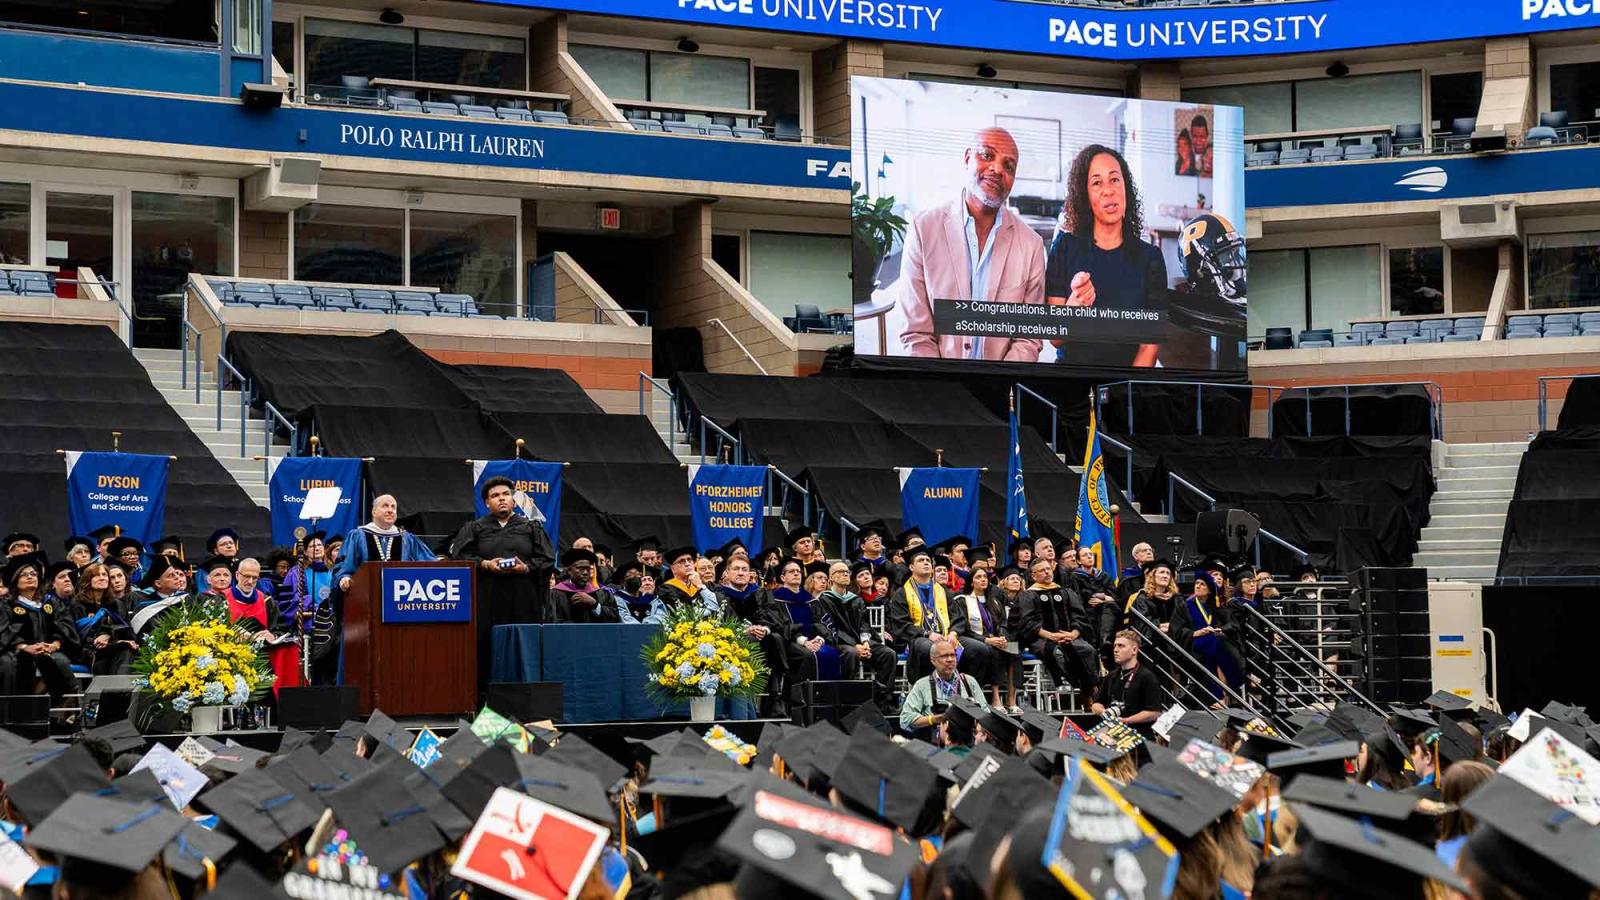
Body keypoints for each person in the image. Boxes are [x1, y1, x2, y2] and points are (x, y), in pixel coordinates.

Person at [895, 126, 1047, 361]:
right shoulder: (923, 228)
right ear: (967, 158)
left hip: (999, 386)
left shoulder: (1032, 244)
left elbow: (1028, 338)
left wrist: (996, 384)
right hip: (937, 383)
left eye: (1009, 166)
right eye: (987, 155)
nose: (997, 169)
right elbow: (916, 332)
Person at [1046, 143, 1167, 369]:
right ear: (1084, 195)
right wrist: (1074, 307)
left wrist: (1124, 395)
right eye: (1096, 183)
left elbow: (1148, 347)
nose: (1108, 190)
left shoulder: (1151, 258)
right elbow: (1055, 339)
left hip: (1125, 386)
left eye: (1114, 180)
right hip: (1071, 379)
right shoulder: (1064, 246)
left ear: (1125, 189)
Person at [450, 476, 556, 694]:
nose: (501, 499)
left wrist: (526, 567)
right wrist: (486, 564)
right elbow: (460, 558)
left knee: (524, 648)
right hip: (488, 599)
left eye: (506, 494)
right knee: (487, 648)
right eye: (495, 496)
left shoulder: (530, 527)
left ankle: (526, 698)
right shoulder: (475, 528)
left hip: (523, 599)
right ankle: (485, 700)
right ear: (487, 503)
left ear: (514, 500)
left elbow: (547, 559)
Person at [888, 547, 989, 684]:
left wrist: (953, 633)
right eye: (921, 560)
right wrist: (928, 634)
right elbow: (901, 624)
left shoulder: (942, 591)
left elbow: (957, 617)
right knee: (928, 649)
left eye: (928, 560)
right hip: (920, 637)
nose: (926, 563)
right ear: (911, 567)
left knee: (979, 649)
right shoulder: (902, 593)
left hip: (947, 636)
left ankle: (967, 692)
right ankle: (931, 693)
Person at [814, 560, 897, 711]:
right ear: (831, 577)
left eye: (847, 572)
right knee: (851, 653)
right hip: (837, 642)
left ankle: (883, 699)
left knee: (888, 653)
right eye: (840, 572)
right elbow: (829, 627)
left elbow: (864, 623)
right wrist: (854, 645)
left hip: (860, 642)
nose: (845, 574)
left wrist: (865, 642)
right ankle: (847, 701)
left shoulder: (856, 599)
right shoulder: (823, 599)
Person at [0, 553, 78, 702]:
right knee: (9, 663)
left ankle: (63, 708)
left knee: (60, 661)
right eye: (23, 575)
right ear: (15, 581)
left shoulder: (51, 603)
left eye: (33, 574)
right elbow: (3, 631)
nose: (30, 577)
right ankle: (10, 710)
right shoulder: (6, 605)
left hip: (49, 650)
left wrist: (54, 645)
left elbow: (65, 626)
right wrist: (23, 646)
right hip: (15, 651)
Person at [1018, 556, 1099, 697]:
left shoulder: (1065, 592)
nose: (1047, 572)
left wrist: (1074, 633)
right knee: (1057, 653)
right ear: (1033, 575)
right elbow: (1026, 622)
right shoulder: (1028, 595)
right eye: (1042, 570)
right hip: (1042, 639)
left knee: (1088, 650)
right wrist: (1050, 635)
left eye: (1048, 569)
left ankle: (1089, 691)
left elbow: (1079, 616)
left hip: (1070, 636)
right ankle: (1077, 688)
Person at [224, 557, 303, 695]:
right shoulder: (222, 599)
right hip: (231, 656)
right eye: (246, 576)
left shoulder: (266, 600)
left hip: (262, 657)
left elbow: (281, 627)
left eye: (255, 577)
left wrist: (272, 635)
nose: (250, 581)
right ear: (237, 575)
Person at [334, 494, 437, 591]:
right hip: (366, 595)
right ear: (374, 512)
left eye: (393, 507)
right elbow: (344, 566)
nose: (390, 510)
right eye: (385, 506)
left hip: (400, 596)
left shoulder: (407, 539)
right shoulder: (357, 536)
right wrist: (344, 578)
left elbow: (429, 564)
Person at [1170, 571, 1243, 700]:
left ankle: (1222, 694)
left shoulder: (1216, 607)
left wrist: (1219, 629)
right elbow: (1176, 630)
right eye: (1197, 583)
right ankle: (1224, 695)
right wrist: (1195, 633)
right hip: (1193, 646)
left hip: (1215, 643)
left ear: (1209, 590)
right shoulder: (1185, 606)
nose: (1198, 586)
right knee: (1216, 645)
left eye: (1202, 584)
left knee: (1218, 643)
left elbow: (1232, 625)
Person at [953, 566, 1014, 710]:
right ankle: (995, 697)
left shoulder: (994, 602)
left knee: (1014, 650)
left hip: (995, 640)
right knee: (990, 650)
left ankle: (1012, 699)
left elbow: (1003, 623)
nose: (983, 580)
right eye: (978, 577)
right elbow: (964, 628)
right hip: (976, 640)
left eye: (985, 577)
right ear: (971, 582)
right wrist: (987, 640)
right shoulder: (962, 600)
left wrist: (1003, 638)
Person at [281, 531, 337, 684]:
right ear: (305, 552)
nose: (317, 548)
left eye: (319, 544)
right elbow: (293, 599)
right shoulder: (298, 572)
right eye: (312, 546)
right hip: (311, 620)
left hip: (335, 620)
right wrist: (318, 607)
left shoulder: (335, 570)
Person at [899, 638, 985, 736]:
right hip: (934, 744)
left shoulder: (969, 681)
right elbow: (905, 719)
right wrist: (934, 719)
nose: (950, 660)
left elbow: (985, 715)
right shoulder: (921, 685)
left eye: (953, 655)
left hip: (966, 742)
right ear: (933, 660)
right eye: (944, 656)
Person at [1090, 630, 1162, 736]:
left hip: (1137, 734)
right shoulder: (1111, 676)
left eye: (1121, 646)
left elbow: (1155, 712)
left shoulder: (1147, 677)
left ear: (1134, 650)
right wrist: (1103, 712)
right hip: (1113, 733)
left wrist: (1127, 720)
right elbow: (1096, 703)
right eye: (1115, 646)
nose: (1115, 650)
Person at [74, 562, 137, 675]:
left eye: (104, 574)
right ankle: (117, 690)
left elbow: (128, 632)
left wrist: (109, 635)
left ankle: (118, 690)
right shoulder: (78, 604)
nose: (102, 578)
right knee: (123, 650)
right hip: (87, 650)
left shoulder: (116, 604)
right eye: (97, 575)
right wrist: (97, 640)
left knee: (127, 649)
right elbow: (76, 634)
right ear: (88, 580)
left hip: (115, 646)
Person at [549, 547, 620, 623]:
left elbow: (614, 618)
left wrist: (595, 604)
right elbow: (552, 620)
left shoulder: (601, 593)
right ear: (569, 571)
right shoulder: (556, 594)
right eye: (581, 568)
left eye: (588, 569)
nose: (586, 572)